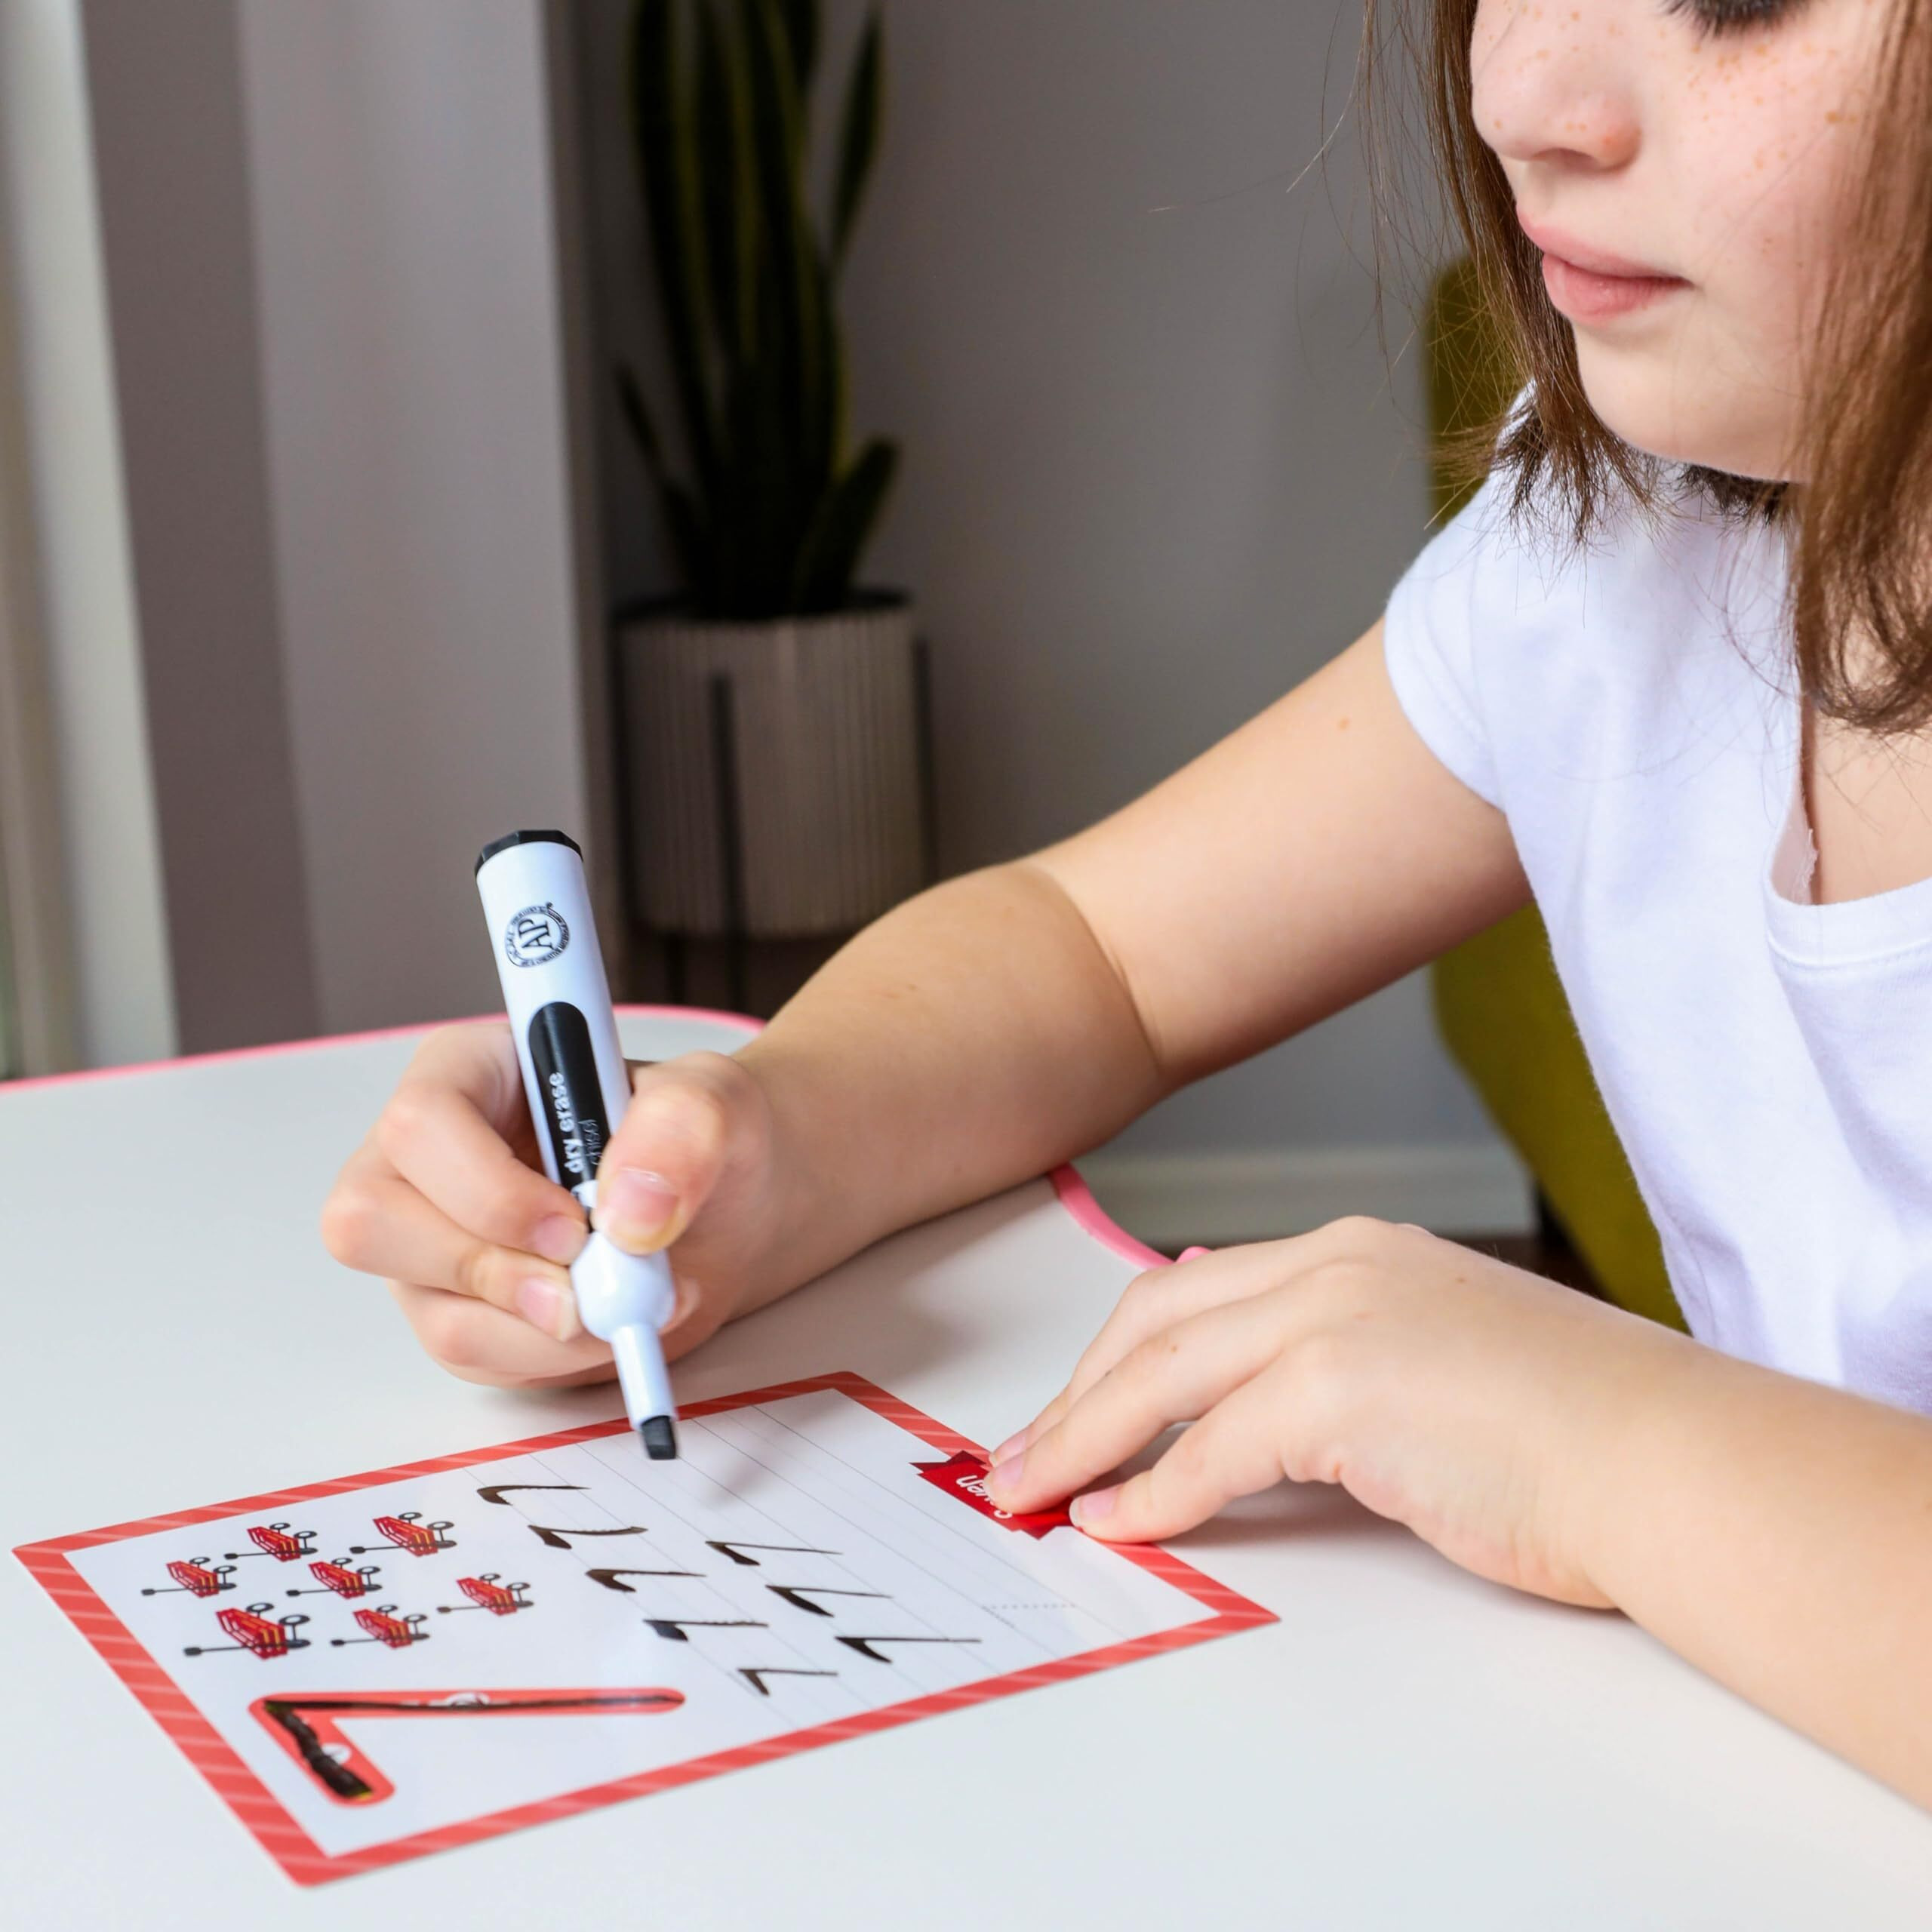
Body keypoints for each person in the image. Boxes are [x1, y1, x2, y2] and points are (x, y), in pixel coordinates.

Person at [322, 0, 1932, 1808]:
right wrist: (760, 1146)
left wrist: (1589, 1435)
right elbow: (1097, 953)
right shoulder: (1622, 549)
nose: (1514, 93)